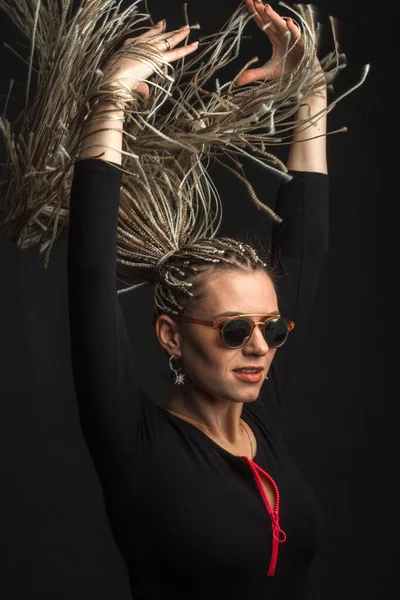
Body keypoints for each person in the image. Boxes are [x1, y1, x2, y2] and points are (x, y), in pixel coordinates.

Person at [0, 0, 363, 598]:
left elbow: (307, 246)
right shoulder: (135, 441)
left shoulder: (260, 413)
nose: (258, 347)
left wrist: (311, 92)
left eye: (272, 330)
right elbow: (90, 272)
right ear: (171, 334)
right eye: (231, 330)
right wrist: (113, 98)